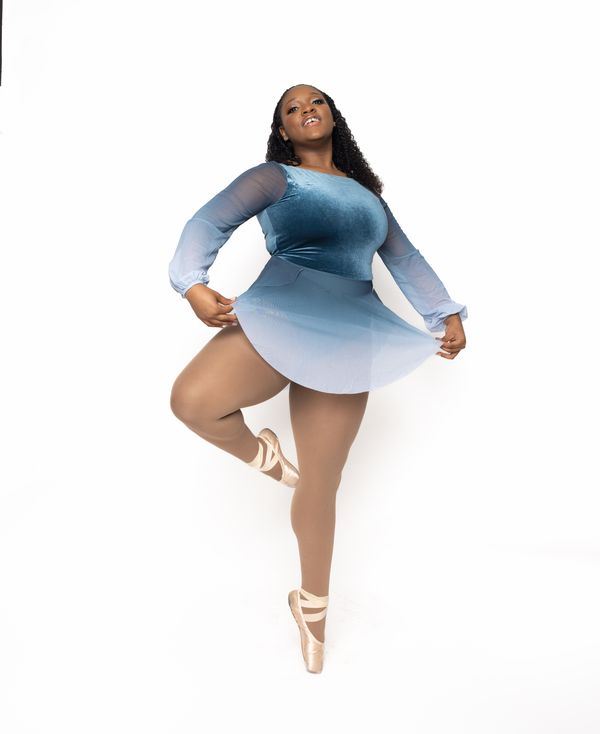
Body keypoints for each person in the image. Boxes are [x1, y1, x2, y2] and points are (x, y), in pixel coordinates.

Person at [168, 83, 468, 673]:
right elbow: (208, 221)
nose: (306, 109)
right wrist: (192, 284)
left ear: (333, 115)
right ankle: (265, 456)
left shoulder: (369, 198)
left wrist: (445, 313)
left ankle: (312, 607)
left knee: (322, 483)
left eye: (317, 102)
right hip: (279, 313)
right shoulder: (275, 178)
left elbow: (405, 258)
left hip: (350, 334)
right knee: (193, 401)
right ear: (282, 130)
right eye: (292, 107)